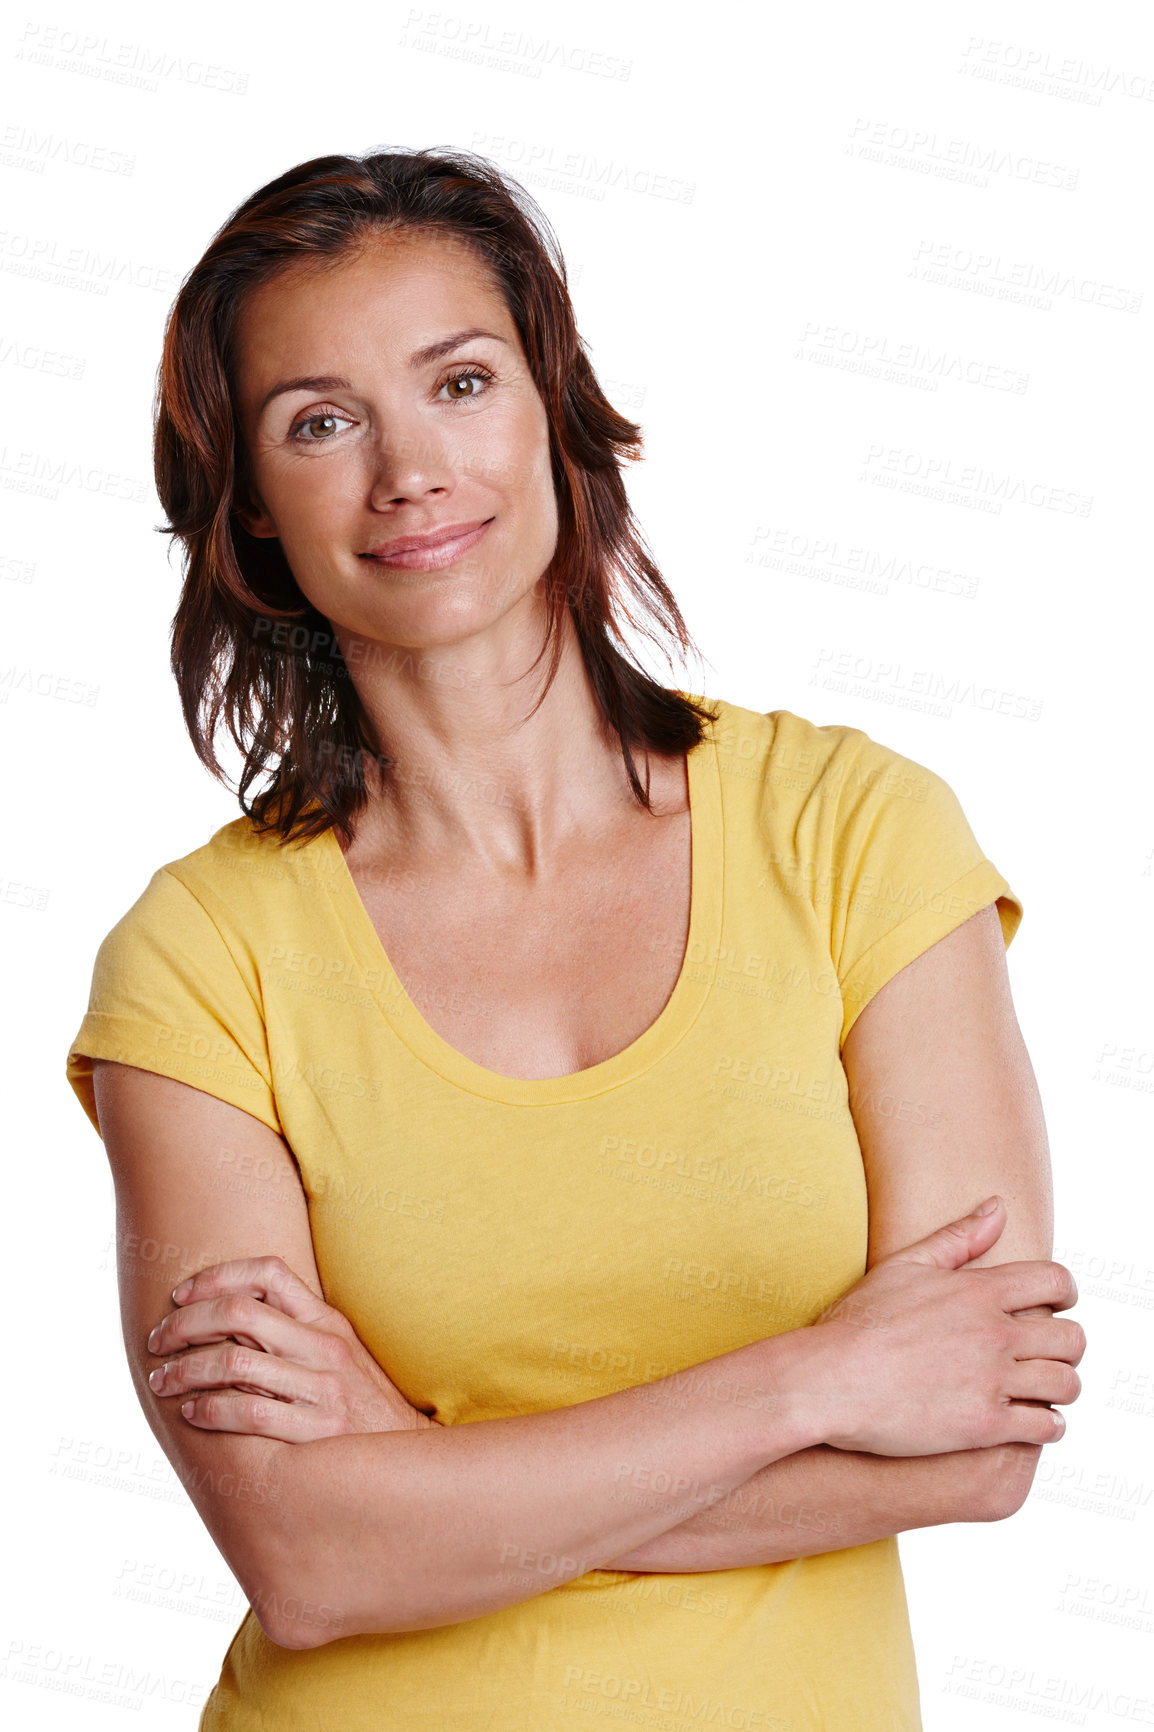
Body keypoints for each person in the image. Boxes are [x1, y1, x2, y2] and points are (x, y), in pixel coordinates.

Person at [65, 148, 1084, 1731]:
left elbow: (976, 1440)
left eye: (459, 382)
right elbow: (311, 1560)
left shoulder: (849, 831)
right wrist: (815, 1385)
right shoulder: (202, 956)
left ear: (554, 407)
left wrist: (414, 1481)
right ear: (254, 516)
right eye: (319, 422)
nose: (409, 471)